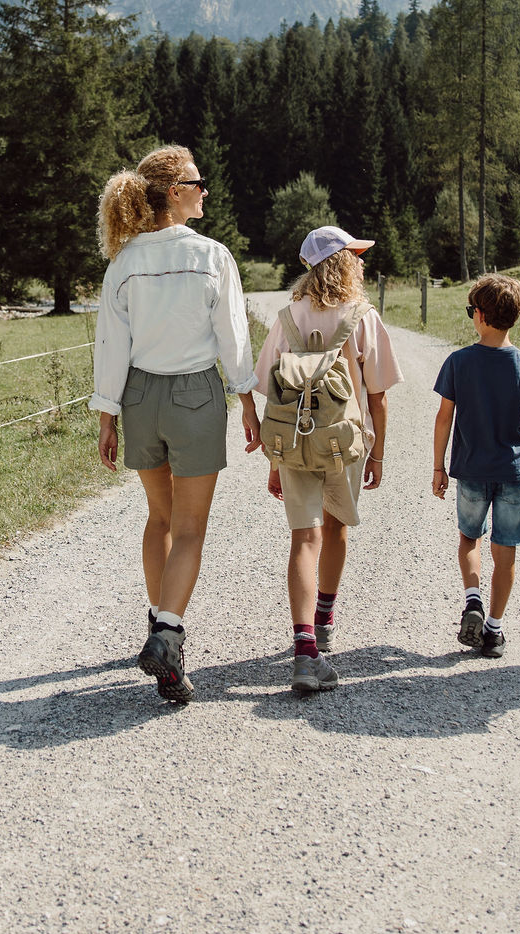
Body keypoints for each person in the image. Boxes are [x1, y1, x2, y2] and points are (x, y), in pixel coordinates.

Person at [92, 145, 260, 705]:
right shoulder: (213, 257)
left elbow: (111, 345)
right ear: (172, 193)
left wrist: (107, 414)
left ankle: (158, 629)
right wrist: (248, 402)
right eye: (196, 181)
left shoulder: (122, 261)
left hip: (139, 395)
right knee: (190, 528)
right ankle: (168, 634)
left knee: (159, 518)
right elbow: (234, 339)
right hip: (194, 394)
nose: (204, 189)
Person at [245, 225, 401, 694]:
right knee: (335, 528)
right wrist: (378, 454)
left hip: (293, 442)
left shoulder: (287, 317)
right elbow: (378, 395)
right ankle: (325, 616)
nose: (360, 261)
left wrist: (275, 461)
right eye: (355, 255)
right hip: (346, 440)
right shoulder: (362, 316)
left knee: (303, 538)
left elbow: (275, 393)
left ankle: (304, 648)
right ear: (344, 262)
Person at [431, 273, 520, 659]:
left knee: (470, 538)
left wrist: (439, 467)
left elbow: (443, 419)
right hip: (515, 474)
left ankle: (472, 600)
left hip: (470, 470)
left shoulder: (458, 362)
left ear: (480, 315)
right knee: (506, 551)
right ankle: (495, 631)